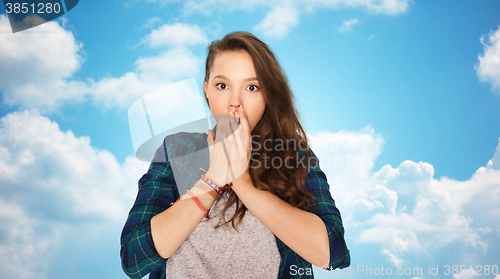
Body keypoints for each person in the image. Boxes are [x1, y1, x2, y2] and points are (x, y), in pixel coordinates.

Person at [120, 31, 350, 279]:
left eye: (252, 87)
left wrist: (243, 183)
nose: (235, 102)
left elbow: (333, 253)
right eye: (222, 85)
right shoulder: (177, 149)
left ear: (268, 95)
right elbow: (133, 260)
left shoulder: (294, 155)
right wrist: (213, 180)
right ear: (206, 90)